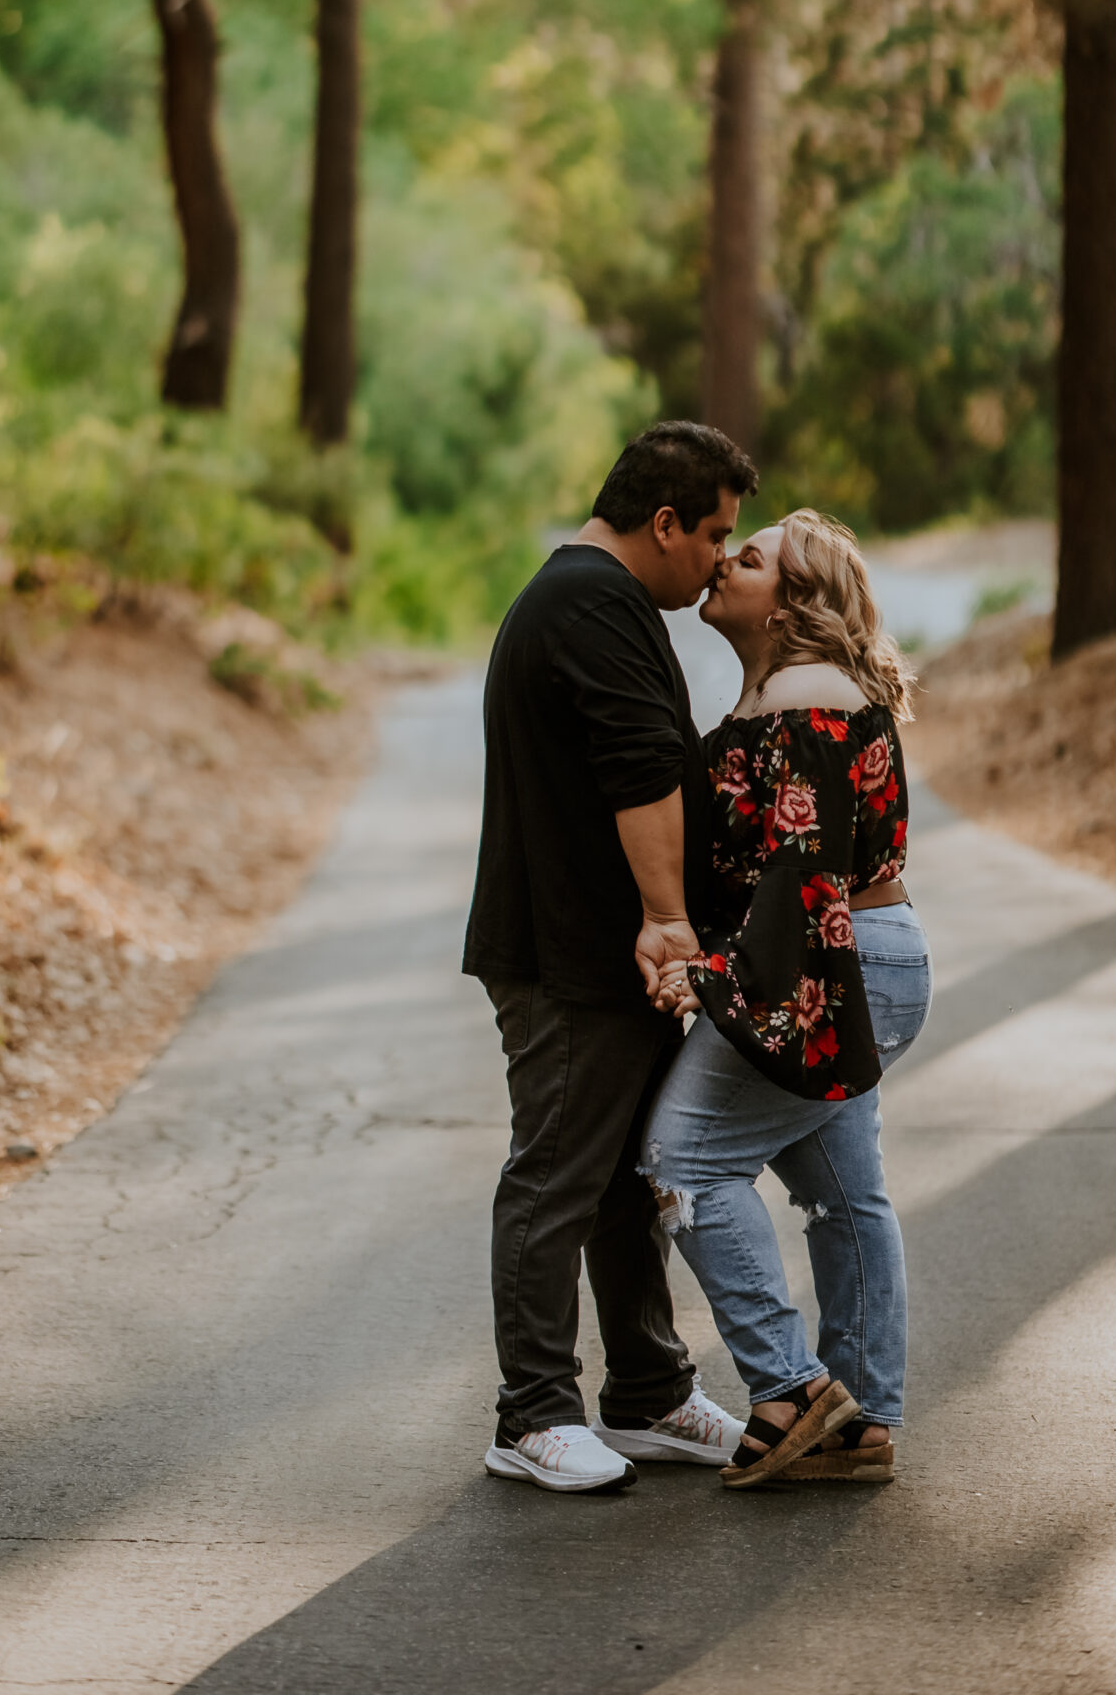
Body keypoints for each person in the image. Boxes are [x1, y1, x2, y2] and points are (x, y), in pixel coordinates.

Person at [463, 419, 759, 1493]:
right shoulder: (591, 600)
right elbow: (641, 769)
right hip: (570, 958)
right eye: (716, 533)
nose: (724, 557)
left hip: (605, 955)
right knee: (557, 1174)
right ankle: (532, 1411)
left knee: (627, 1183)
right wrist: (670, 920)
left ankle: (647, 1395)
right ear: (663, 520)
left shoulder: (598, 598)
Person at [645, 507, 931, 1488]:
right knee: (844, 1196)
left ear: (793, 602)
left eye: (752, 556)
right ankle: (862, 1420)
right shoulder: (798, 690)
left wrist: (713, 977)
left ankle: (795, 1391)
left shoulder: (804, 697)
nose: (726, 559)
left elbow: (800, 879)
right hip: (870, 954)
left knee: (681, 1158)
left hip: (830, 956)